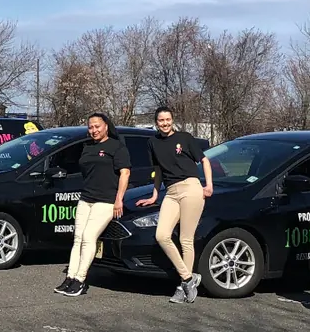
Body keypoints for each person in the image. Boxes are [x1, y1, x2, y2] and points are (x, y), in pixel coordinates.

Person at [135, 106, 214, 303]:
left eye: (168, 119)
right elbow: (158, 171)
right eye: (161, 120)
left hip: (191, 188)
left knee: (186, 240)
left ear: (172, 120)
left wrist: (208, 185)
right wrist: (154, 195)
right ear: (156, 123)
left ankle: (182, 287)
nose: (165, 123)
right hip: (170, 192)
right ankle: (189, 278)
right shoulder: (152, 142)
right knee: (162, 235)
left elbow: (204, 161)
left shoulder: (185, 138)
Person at [56, 112, 129, 298]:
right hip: (86, 199)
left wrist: (119, 199)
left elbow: (125, 173)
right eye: (91, 127)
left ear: (106, 126)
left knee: (89, 237)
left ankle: (80, 280)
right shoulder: (87, 147)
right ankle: (70, 278)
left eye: (97, 126)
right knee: (78, 238)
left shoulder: (117, 146)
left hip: (105, 201)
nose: (94, 130)